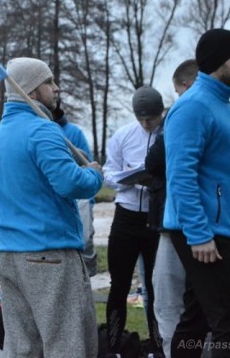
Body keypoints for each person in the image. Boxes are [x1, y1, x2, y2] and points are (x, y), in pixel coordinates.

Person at [0, 57, 103, 357]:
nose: (56, 87)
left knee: (23, 347)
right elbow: (72, 184)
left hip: (9, 256)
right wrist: (94, 175)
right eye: (48, 81)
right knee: (67, 345)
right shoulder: (42, 131)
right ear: (31, 91)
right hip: (49, 256)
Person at [164, 28, 230, 357]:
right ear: (219, 62)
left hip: (218, 229)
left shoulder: (223, 106)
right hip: (203, 233)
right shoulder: (192, 107)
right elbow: (180, 176)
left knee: (196, 320)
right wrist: (199, 234)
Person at [103, 85, 164, 358]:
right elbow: (108, 171)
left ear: (160, 112)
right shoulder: (123, 135)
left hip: (155, 218)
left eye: (150, 118)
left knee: (155, 287)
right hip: (126, 217)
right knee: (119, 284)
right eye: (141, 118)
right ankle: (114, 347)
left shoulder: (169, 133)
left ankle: (158, 346)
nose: (146, 123)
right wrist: (126, 181)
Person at [145, 59, 197, 358]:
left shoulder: (182, 115)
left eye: (178, 92)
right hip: (216, 225)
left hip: (179, 224)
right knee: (205, 305)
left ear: (186, 86)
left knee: (170, 303)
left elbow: (153, 162)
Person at [53, 99, 98, 276]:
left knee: (84, 243)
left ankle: (88, 278)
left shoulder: (73, 132)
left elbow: (88, 165)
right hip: (56, 204)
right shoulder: (38, 132)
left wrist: (89, 201)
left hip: (80, 200)